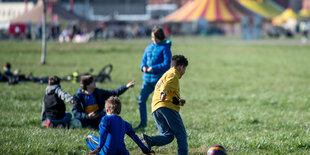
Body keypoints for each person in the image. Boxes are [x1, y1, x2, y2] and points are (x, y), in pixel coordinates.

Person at [140, 55, 189, 155]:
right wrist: (163, 93)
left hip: (156, 108)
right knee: (181, 134)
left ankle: (149, 140)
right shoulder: (173, 75)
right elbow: (166, 86)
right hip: (167, 107)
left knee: (168, 136)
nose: (184, 72)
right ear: (181, 67)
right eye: (185, 69)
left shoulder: (165, 75)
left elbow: (168, 89)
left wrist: (179, 102)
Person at [86, 96, 155, 155]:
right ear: (119, 110)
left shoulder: (105, 119)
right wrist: (145, 150)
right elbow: (135, 137)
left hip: (107, 151)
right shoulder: (125, 123)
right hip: (121, 152)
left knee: (89, 138)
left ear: (107, 110)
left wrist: (99, 147)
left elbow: (103, 133)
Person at [136, 26, 172, 130]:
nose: (154, 40)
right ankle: (143, 123)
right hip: (147, 80)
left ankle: (165, 125)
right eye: (153, 37)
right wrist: (143, 67)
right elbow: (143, 61)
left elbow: (166, 64)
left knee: (160, 104)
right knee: (141, 101)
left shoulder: (165, 49)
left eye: (157, 38)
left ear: (161, 37)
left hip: (158, 81)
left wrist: (153, 68)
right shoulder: (148, 48)